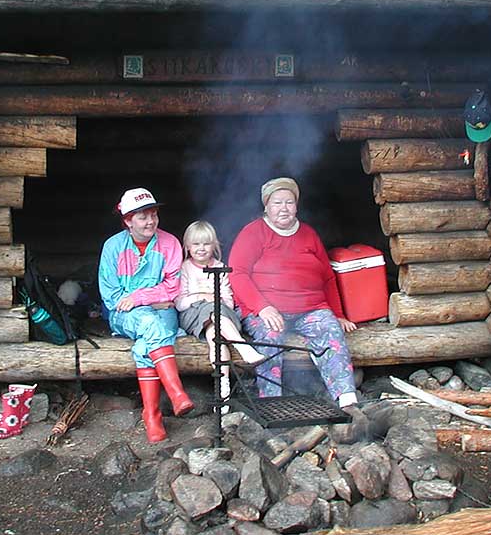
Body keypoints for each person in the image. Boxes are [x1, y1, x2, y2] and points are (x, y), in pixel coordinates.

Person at [228, 177, 360, 410]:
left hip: (310, 309)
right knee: (270, 335)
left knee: (330, 328)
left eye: (289, 202)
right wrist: (262, 307)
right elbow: (237, 274)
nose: (284, 208)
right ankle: (272, 403)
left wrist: (338, 314)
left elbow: (328, 277)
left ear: (296, 206)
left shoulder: (309, 234)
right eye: (277, 203)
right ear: (266, 206)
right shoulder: (253, 233)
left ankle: (347, 399)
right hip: (267, 310)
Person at [98, 188, 192, 443]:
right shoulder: (113, 247)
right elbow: (111, 295)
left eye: (153, 214)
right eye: (142, 217)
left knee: (143, 348)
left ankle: (151, 416)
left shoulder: (169, 243)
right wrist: (142, 302)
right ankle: (176, 393)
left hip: (164, 311)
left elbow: (173, 288)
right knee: (149, 321)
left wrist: (139, 298)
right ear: (128, 221)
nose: (150, 221)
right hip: (123, 314)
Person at [175, 221, 266, 406]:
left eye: (206, 244)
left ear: (214, 245)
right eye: (196, 244)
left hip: (221, 315)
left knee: (214, 336)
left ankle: (222, 391)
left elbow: (229, 302)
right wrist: (203, 296)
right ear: (187, 247)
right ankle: (243, 347)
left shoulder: (221, 267)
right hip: (192, 315)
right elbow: (180, 303)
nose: (201, 248)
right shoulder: (185, 268)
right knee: (211, 310)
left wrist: (214, 300)